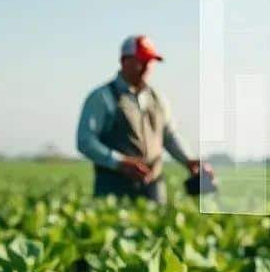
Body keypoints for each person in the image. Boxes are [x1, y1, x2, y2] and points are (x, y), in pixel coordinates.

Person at [76, 35, 209, 202]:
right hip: (114, 192)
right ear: (124, 61)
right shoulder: (102, 97)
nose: (147, 67)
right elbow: (85, 141)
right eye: (141, 60)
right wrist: (119, 162)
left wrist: (189, 160)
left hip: (154, 190)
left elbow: (168, 136)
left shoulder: (158, 98)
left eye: (151, 61)